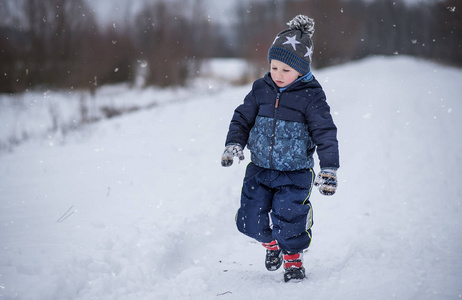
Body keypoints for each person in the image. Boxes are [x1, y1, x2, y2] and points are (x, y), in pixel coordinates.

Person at [221, 15, 340, 282]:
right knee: (250, 220)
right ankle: (271, 246)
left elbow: (325, 132)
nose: (278, 75)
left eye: (286, 70)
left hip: (295, 173)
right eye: (274, 68)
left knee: (290, 221)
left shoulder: (311, 96)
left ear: (303, 70)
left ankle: (293, 260)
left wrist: (329, 168)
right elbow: (242, 118)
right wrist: (234, 143)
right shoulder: (260, 89)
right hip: (260, 169)